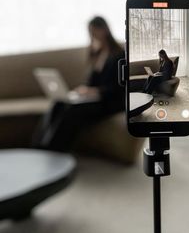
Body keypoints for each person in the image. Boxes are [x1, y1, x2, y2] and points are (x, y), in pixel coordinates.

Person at [32, 16, 125, 151]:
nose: (92, 35)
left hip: (110, 101)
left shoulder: (119, 55)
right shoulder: (97, 52)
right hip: (95, 98)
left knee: (73, 111)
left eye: (94, 31)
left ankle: (56, 149)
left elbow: (117, 88)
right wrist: (84, 90)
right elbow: (92, 82)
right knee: (58, 104)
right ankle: (39, 145)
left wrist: (94, 91)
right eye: (90, 32)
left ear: (104, 30)